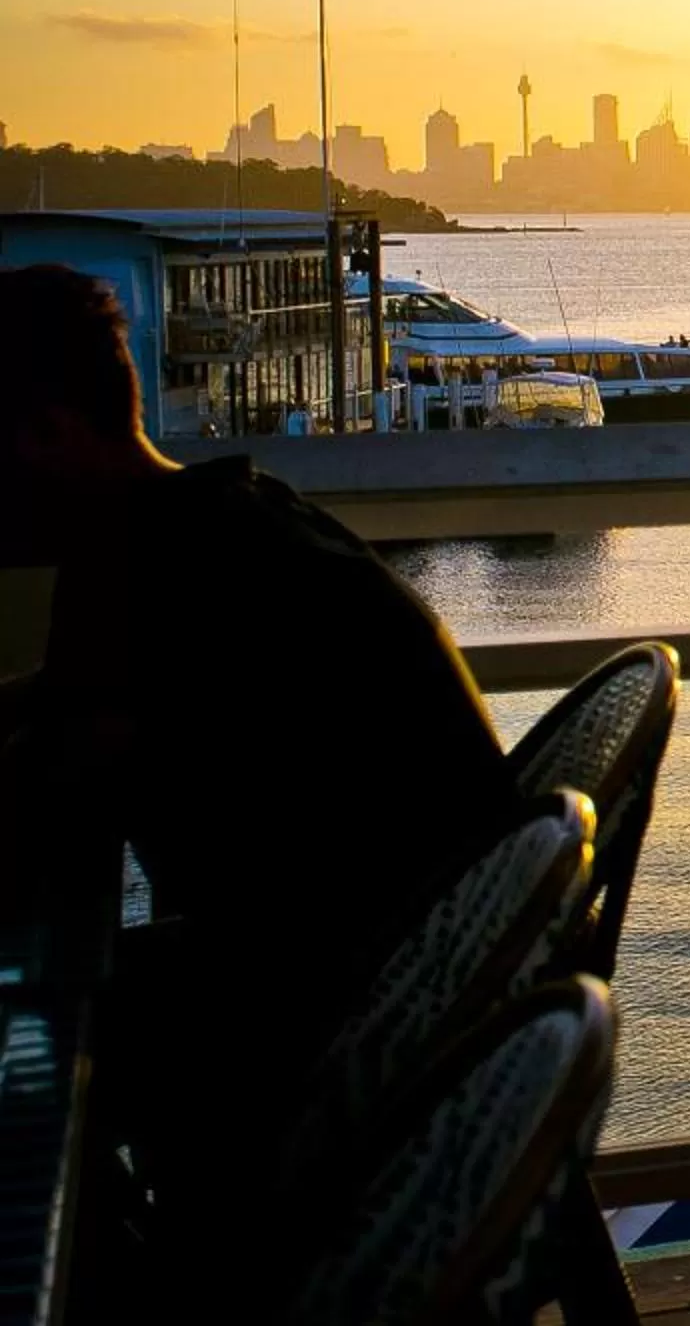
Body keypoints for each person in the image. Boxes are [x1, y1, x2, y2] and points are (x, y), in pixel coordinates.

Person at [0, 264, 519, 1242]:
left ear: (47, 436)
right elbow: (69, 725)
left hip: (354, 1037)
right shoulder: (224, 522)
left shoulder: (137, 570)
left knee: (34, 1063)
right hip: (458, 993)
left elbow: (41, 798)